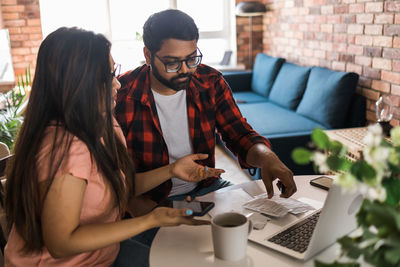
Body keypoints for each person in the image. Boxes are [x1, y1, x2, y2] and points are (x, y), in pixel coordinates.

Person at [3, 27, 210, 267]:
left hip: (103, 253)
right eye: (107, 76)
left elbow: (122, 186)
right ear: (77, 84)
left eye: (114, 72)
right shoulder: (67, 147)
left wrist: (172, 170)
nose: (118, 84)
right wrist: (150, 220)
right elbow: (61, 243)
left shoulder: (104, 122)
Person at [115, 9, 297, 207]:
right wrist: (135, 206)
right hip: (150, 200)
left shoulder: (210, 81)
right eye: (172, 63)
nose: (185, 70)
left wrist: (267, 157)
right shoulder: (120, 94)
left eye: (192, 58)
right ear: (148, 55)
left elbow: (238, 134)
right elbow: (112, 174)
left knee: (259, 225)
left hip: (207, 188)